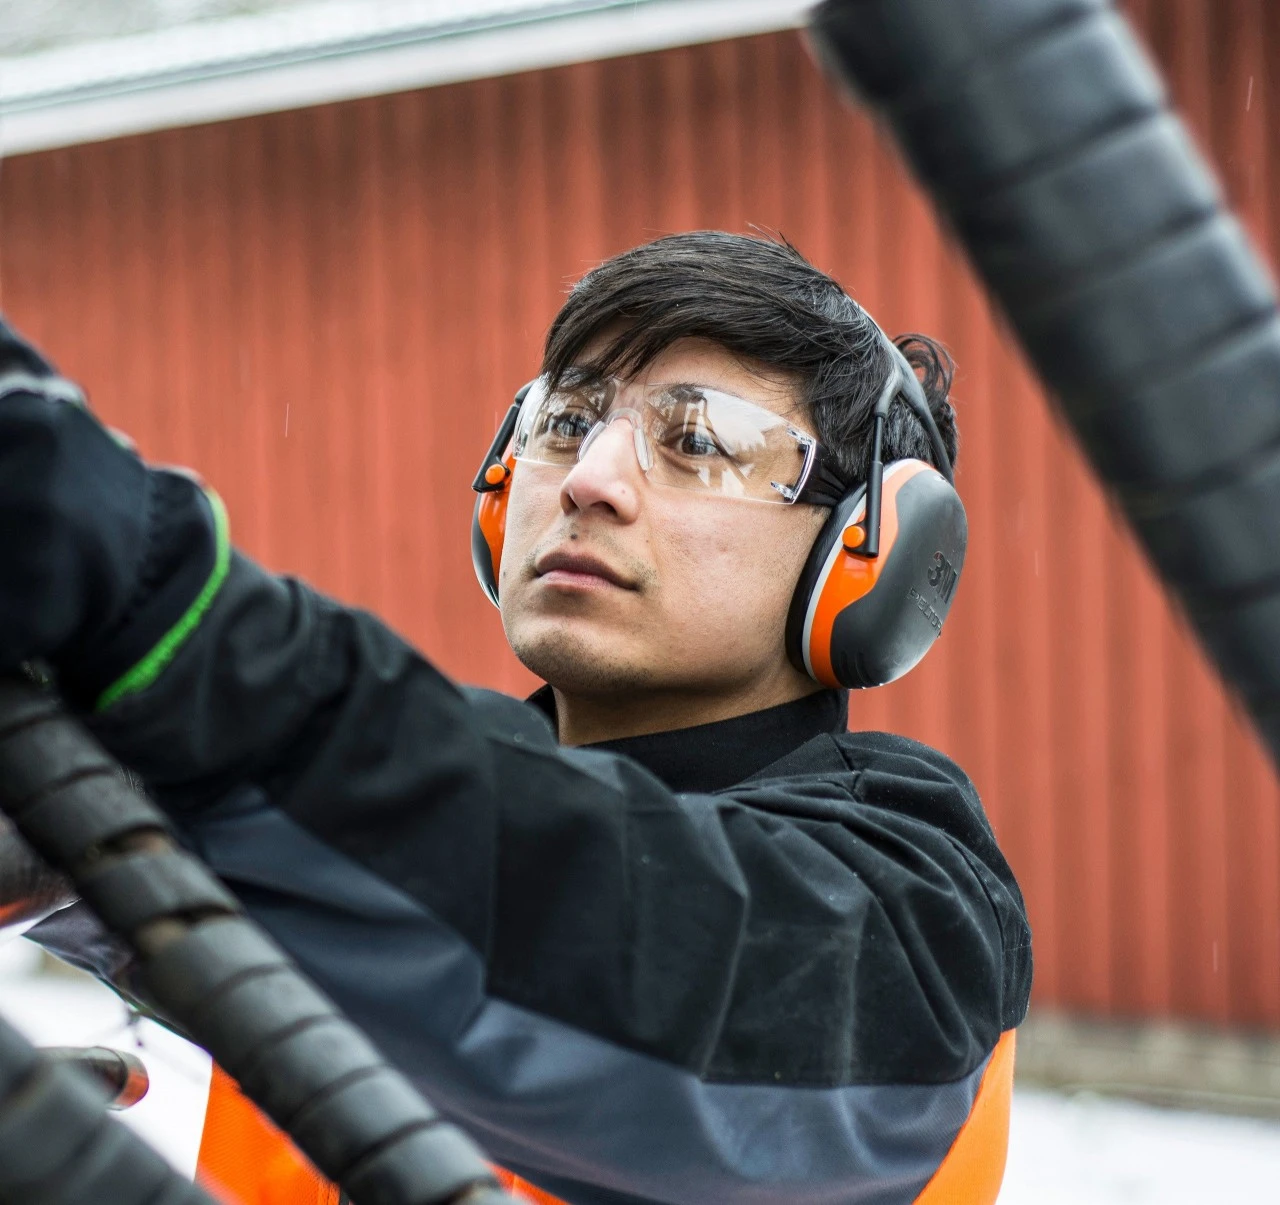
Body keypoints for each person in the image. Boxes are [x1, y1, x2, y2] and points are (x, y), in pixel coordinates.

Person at [2, 232, 1031, 1204]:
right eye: (566, 421)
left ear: (868, 554)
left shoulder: (910, 920)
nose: (587, 480)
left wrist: (161, 603)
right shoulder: (337, 844)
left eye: (697, 440)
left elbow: (613, 935)